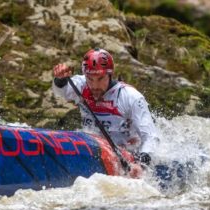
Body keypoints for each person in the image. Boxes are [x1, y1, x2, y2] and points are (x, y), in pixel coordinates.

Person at [52, 48, 159, 176]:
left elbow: (150, 136)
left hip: (128, 156)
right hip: (93, 149)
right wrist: (60, 78)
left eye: (100, 78)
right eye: (90, 79)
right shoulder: (80, 84)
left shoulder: (130, 97)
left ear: (110, 74)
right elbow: (61, 91)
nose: (94, 85)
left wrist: (141, 164)